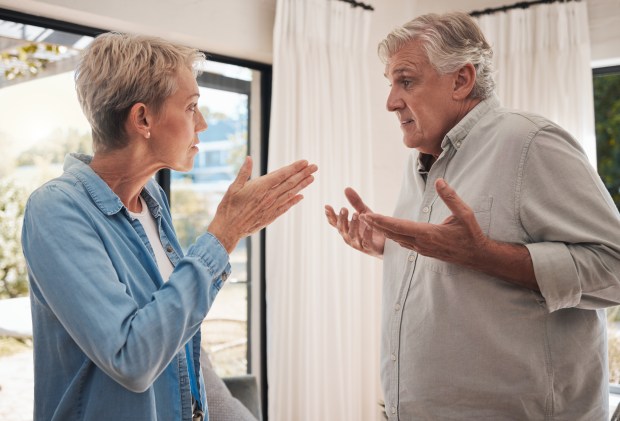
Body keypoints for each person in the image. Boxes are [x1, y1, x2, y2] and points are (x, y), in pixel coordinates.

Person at [325, 12, 620, 420]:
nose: (391, 101)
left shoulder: (530, 142)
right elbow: (453, 269)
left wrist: (483, 253)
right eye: (391, 84)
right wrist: (391, 248)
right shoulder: (423, 164)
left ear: (461, 80)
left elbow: (616, 268)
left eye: (405, 81)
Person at [21, 32, 317, 421]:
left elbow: (175, 337)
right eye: (192, 107)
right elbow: (133, 358)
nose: (204, 123)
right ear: (143, 118)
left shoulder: (153, 200)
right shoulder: (56, 210)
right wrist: (223, 236)